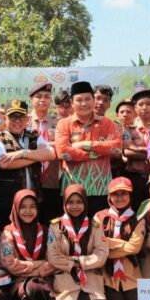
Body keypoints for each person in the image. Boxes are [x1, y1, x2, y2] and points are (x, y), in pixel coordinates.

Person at [47, 185, 110, 300]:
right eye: (70, 202)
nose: (75, 206)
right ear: (64, 204)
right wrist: (74, 264)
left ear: (85, 203)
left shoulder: (95, 226)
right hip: (66, 277)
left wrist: (78, 261)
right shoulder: (55, 227)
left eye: (79, 202)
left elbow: (102, 254)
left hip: (90, 276)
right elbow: (53, 256)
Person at [55, 81, 122, 216]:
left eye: (87, 99)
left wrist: (86, 145)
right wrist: (98, 153)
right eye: (79, 100)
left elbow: (116, 147)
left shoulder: (107, 123)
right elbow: (63, 152)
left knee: (99, 227)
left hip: (100, 188)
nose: (84, 104)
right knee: (73, 230)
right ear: (72, 103)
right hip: (73, 190)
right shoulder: (64, 124)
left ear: (93, 100)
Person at [0, 189, 62, 300]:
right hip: (20, 282)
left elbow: (54, 260)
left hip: (45, 279)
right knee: (31, 291)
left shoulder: (46, 231)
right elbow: (11, 265)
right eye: (23, 207)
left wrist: (36, 272)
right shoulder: (7, 233)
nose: (28, 211)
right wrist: (38, 265)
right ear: (15, 208)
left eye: (32, 206)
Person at [0, 99, 55, 228]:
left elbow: (51, 154)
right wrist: (36, 156)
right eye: (13, 117)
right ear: (4, 118)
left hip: (34, 197)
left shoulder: (33, 135)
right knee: (8, 234)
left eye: (21, 117)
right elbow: (3, 164)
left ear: (27, 119)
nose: (17, 121)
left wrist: (22, 153)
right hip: (8, 199)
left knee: (34, 234)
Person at [96, 177, 148, 300]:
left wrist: (108, 247)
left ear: (130, 196)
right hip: (108, 275)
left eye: (123, 194)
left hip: (130, 273)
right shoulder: (99, 217)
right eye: (115, 194)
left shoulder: (138, 218)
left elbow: (135, 248)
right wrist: (124, 244)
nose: (120, 198)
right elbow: (98, 245)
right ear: (109, 197)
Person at [28, 82, 62, 223]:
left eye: (47, 96)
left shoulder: (59, 122)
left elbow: (62, 146)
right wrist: (49, 147)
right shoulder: (23, 121)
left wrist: (40, 147)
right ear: (31, 99)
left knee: (50, 219)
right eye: (39, 96)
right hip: (29, 178)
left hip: (52, 180)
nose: (43, 99)